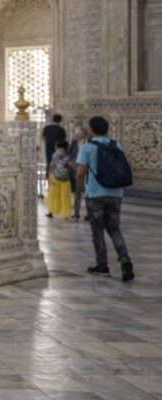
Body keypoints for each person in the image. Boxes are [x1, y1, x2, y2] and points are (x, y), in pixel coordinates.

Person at [76, 116, 134, 282]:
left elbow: (80, 172)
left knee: (98, 230)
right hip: (116, 193)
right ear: (107, 129)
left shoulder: (87, 147)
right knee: (114, 228)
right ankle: (125, 260)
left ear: (92, 130)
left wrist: (79, 190)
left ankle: (102, 266)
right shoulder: (116, 145)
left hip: (95, 194)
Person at [45, 140, 72, 219]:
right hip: (65, 179)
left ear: (57, 146)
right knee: (65, 197)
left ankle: (51, 212)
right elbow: (68, 166)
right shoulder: (67, 155)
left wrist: (49, 174)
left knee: (53, 196)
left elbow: (52, 165)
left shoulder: (55, 154)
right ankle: (66, 214)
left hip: (55, 178)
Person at [67, 127, 86, 220]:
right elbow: (69, 155)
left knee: (87, 194)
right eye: (76, 133)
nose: (77, 135)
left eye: (79, 133)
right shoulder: (74, 142)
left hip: (86, 171)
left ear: (83, 134)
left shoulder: (88, 143)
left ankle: (89, 214)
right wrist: (72, 164)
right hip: (75, 170)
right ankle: (76, 213)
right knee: (77, 193)